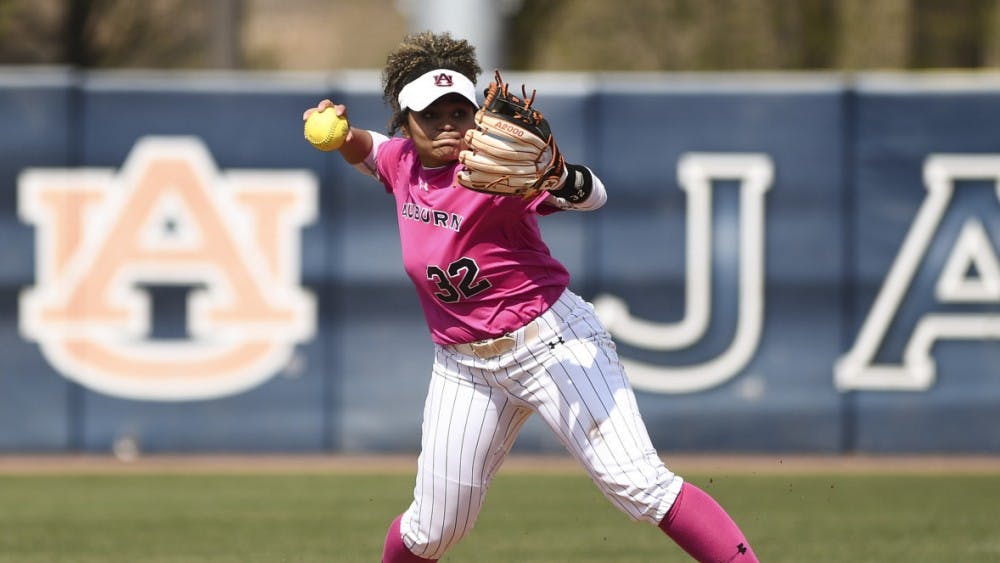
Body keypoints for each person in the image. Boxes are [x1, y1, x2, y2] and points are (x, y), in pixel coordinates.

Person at [303, 31, 759, 563]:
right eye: (431, 114)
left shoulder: (496, 169)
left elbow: (594, 196)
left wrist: (561, 176)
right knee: (432, 530)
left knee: (641, 485)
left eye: (459, 110)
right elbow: (369, 149)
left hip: (551, 343)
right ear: (405, 121)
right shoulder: (402, 162)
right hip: (463, 367)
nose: (448, 123)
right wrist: (335, 135)